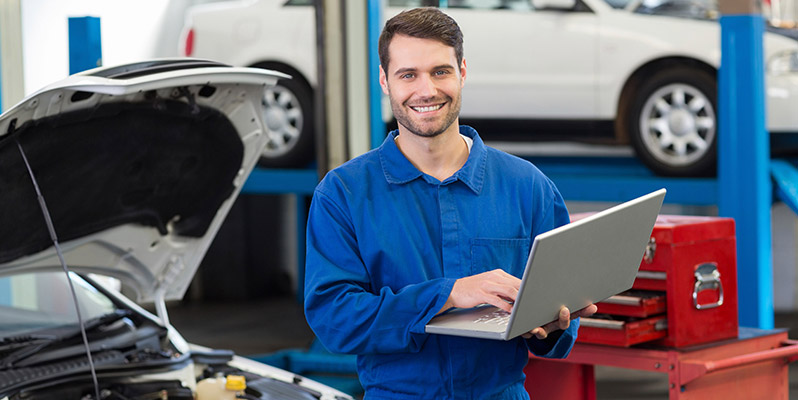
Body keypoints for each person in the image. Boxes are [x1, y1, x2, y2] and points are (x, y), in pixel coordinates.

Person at [304, 7, 597, 399]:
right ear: (384, 81)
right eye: (408, 74)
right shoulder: (344, 194)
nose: (426, 90)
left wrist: (554, 324)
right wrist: (448, 294)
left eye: (440, 71)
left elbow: (555, 313)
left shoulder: (527, 187)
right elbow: (336, 319)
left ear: (462, 71)